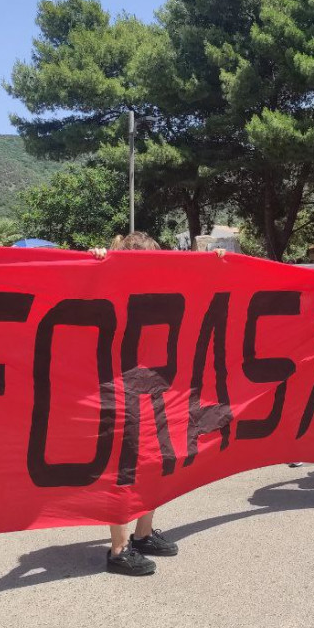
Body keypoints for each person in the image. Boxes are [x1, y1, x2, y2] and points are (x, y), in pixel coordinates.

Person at [89, 231, 225, 576]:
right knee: (124, 468)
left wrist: (218, 263)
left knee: (157, 460)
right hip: (118, 388)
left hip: (159, 385)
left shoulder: (162, 284)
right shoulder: (106, 276)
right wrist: (96, 257)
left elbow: (200, 285)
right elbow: (79, 288)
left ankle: (143, 534)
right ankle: (118, 550)